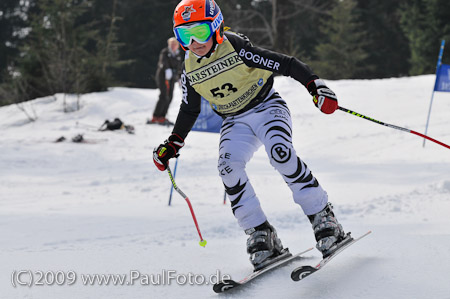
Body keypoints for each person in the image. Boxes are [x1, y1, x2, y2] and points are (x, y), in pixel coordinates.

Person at [153, 0, 347, 271]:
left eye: (201, 32)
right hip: (235, 120)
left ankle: (324, 218)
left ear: (217, 27)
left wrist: (315, 86)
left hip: (267, 107)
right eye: (185, 35)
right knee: (227, 167)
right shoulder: (189, 68)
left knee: (281, 154)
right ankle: (260, 233)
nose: (195, 42)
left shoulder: (235, 47)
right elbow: (189, 109)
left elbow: (286, 64)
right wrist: (173, 142)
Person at [150, 37, 183, 125]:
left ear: (177, 46)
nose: (173, 46)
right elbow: (163, 62)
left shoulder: (178, 55)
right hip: (163, 76)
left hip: (172, 78)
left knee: (170, 96)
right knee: (163, 95)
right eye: (171, 44)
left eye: (174, 44)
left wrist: (180, 77)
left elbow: (179, 67)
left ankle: (162, 116)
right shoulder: (165, 52)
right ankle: (156, 116)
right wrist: (167, 69)